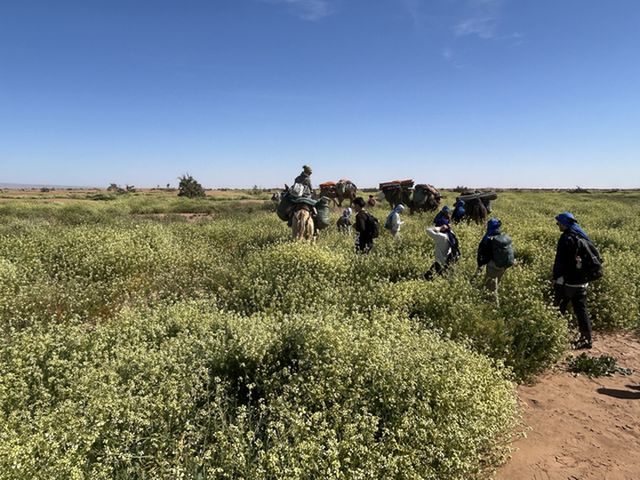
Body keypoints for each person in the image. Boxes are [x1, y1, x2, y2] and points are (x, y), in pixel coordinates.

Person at [553, 212, 594, 349]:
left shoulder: (566, 238)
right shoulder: (582, 236)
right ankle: (587, 340)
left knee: (558, 308)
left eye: (558, 223)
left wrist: (556, 277)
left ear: (564, 224)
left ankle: (552, 338)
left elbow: (560, 262)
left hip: (567, 282)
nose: (557, 225)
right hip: (582, 281)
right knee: (581, 310)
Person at [476, 218, 514, 305]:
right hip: (503, 265)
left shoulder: (488, 238)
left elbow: (483, 253)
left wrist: (480, 264)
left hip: (493, 265)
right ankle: (484, 298)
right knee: (492, 282)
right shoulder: (501, 236)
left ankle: (494, 306)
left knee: (491, 288)